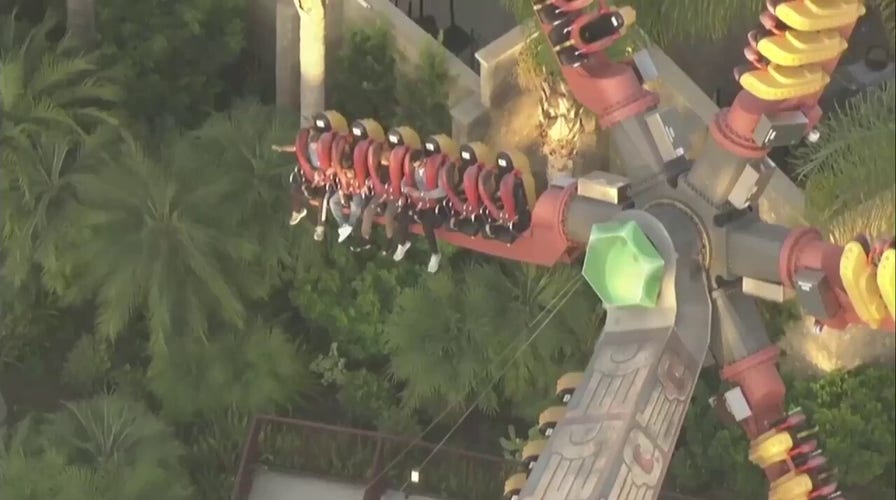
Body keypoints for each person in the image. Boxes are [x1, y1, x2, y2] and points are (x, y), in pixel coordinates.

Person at [272, 130, 332, 241]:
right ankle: (297, 211)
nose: (314, 148)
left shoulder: (325, 151)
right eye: (312, 145)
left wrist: (323, 175)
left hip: (325, 183)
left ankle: (320, 227)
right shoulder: (307, 149)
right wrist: (281, 148)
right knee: (296, 189)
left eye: (316, 145)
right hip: (311, 179)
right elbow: (295, 148)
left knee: (321, 200)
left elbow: (333, 165)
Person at [393, 150, 445, 273]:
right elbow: (404, 181)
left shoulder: (436, 170)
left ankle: (435, 254)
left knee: (426, 226)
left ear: (423, 160)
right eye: (415, 166)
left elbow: (442, 191)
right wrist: (405, 188)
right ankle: (403, 242)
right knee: (401, 215)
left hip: (433, 203)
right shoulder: (414, 171)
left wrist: (422, 194)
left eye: (419, 165)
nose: (417, 168)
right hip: (419, 202)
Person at [355, 148, 400, 253]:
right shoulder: (380, 168)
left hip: (394, 194)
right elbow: (377, 178)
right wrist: (370, 181)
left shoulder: (396, 169)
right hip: (381, 192)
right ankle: (366, 238)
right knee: (368, 211)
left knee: (388, 215)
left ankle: (390, 240)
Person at [329, 147, 367, 243]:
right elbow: (341, 183)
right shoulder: (342, 171)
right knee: (332, 201)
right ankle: (343, 225)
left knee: (356, 206)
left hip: (357, 191)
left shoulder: (359, 171)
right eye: (345, 171)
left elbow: (363, 186)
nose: (348, 173)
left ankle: (350, 225)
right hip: (346, 190)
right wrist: (342, 194)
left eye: (349, 170)